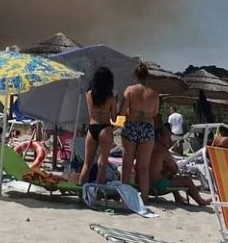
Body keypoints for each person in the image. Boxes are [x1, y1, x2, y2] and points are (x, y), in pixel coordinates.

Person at [119, 63, 159, 202]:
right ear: (147, 77)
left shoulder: (129, 90)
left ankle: (123, 195)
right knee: (143, 166)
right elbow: (154, 112)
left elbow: (122, 112)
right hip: (147, 128)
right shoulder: (154, 94)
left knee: (127, 163)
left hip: (131, 125)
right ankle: (145, 197)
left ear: (135, 76)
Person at [150, 126, 211, 206]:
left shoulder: (147, 147)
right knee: (187, 180)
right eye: (168, 136)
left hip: (144, 185)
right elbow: (175, 170)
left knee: (169, 174)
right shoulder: (163, 151)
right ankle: (201, 201)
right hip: (156, 186)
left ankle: (178, 197)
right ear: (159, 136)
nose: (170, 140)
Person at [79, 67, 117, 185]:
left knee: (87, 164)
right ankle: (98, 191)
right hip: (105, 128)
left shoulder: (88, 94)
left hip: (92, 128)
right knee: (102, 164)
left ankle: (81, 192)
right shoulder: (111, 98)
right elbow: (114, 118)